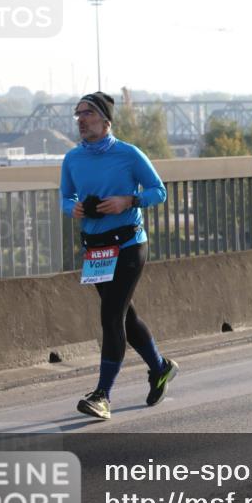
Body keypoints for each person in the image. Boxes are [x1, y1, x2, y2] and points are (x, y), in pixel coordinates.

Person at [60, 92, 178, 420]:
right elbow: (65, 198)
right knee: (124, 316)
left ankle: (102, 395)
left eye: (88, 113)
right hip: (96, 250)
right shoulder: (72, 159)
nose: (81, 119)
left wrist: (129, 201)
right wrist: (76, 208)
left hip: (128, 245)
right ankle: (160, 367)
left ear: (106, 121)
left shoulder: (129, 154)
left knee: (111, 316)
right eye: (78, 114)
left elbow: (159, 191)